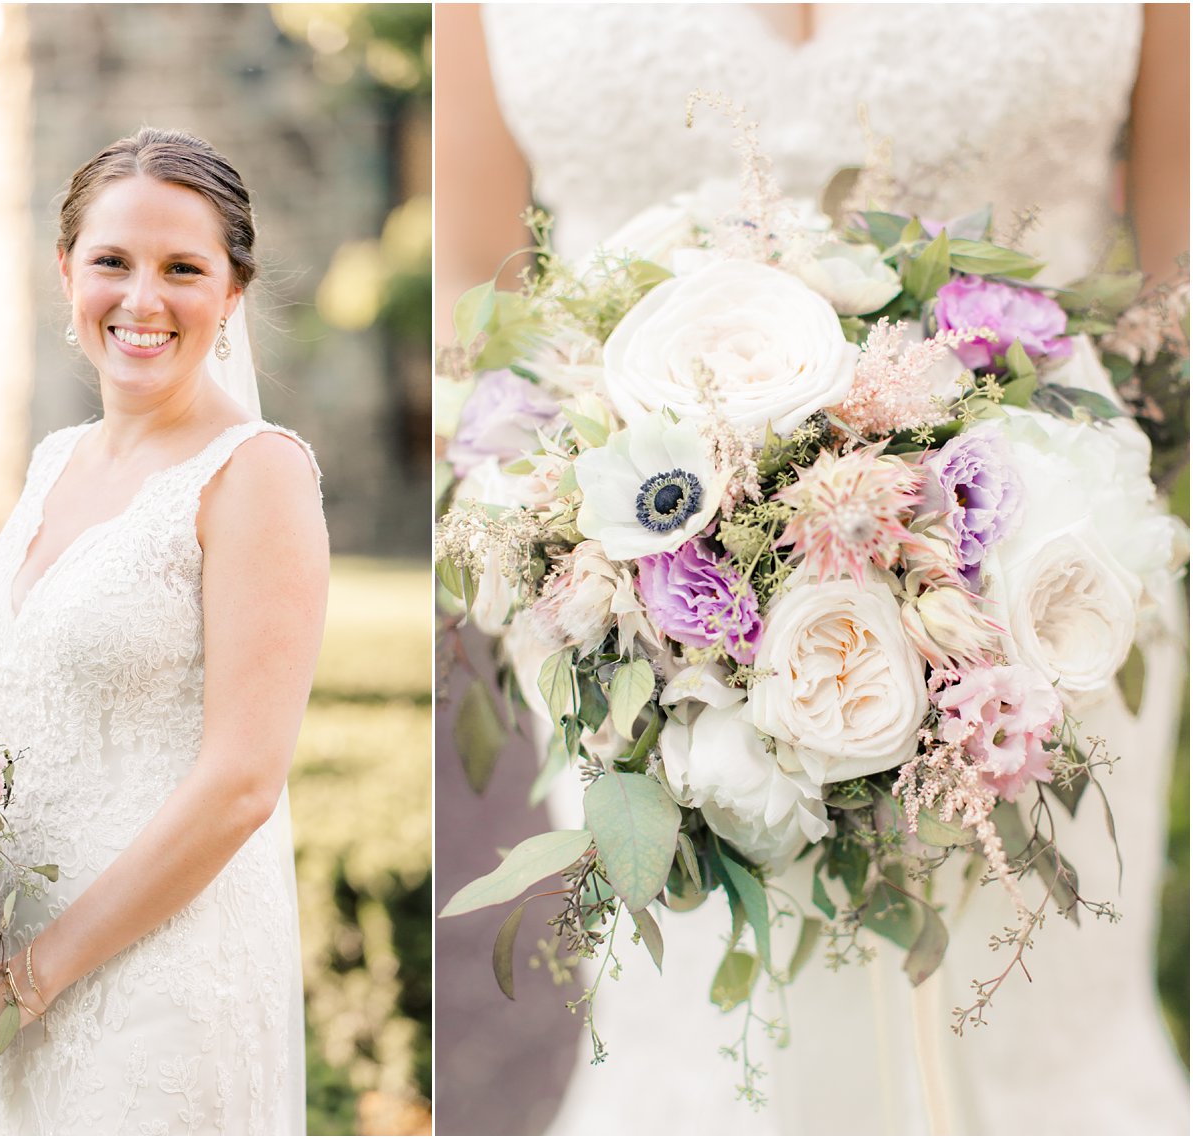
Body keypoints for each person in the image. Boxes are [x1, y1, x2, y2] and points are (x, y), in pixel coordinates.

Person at [435, 4, 1188, 1134]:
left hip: (1054, 594)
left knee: (1032, 1043)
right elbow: (471, 280)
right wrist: (530, 530)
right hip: (621, 604)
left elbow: (1175, 280)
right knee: (694, 1038)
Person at [0, 128, 329, 1135]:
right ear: (66, 272)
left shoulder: (257, 472)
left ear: (231, 291)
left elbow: (240, 782)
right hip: (15, 969)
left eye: (182, 268)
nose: (142, 300)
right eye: (112, 262)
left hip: (157, 978)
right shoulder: (54, 459)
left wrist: (25, 980)